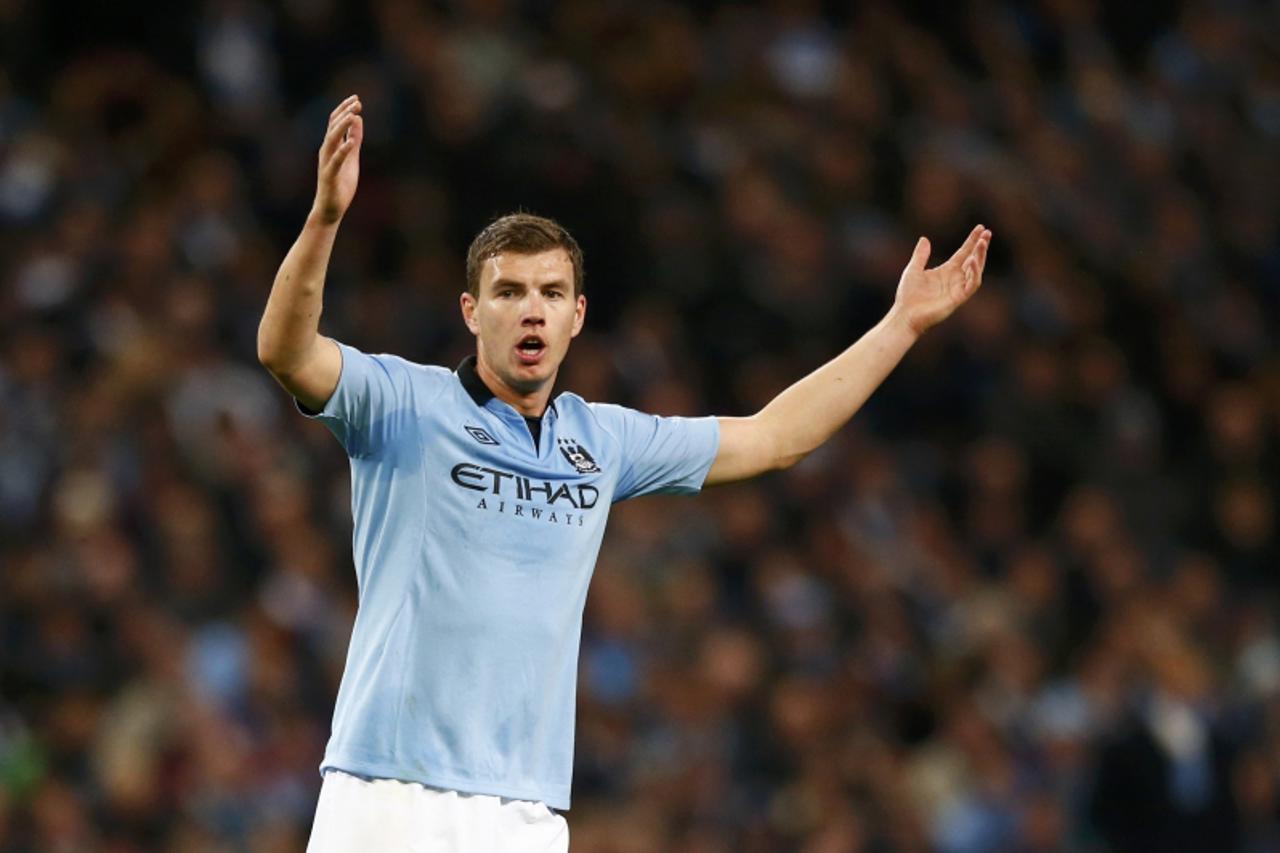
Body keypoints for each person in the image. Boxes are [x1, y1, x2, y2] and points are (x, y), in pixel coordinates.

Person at [257, 95, 991, 852]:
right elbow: (286, 351)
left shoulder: (602, 439)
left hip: (524, 810)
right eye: (509, 292)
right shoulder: (405, 401)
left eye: (550, 294)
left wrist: (899, 325)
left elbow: (775, 438)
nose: (531, 312)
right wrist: (324, 220)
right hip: (388, 788)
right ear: (473, 311)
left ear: (578, 315)